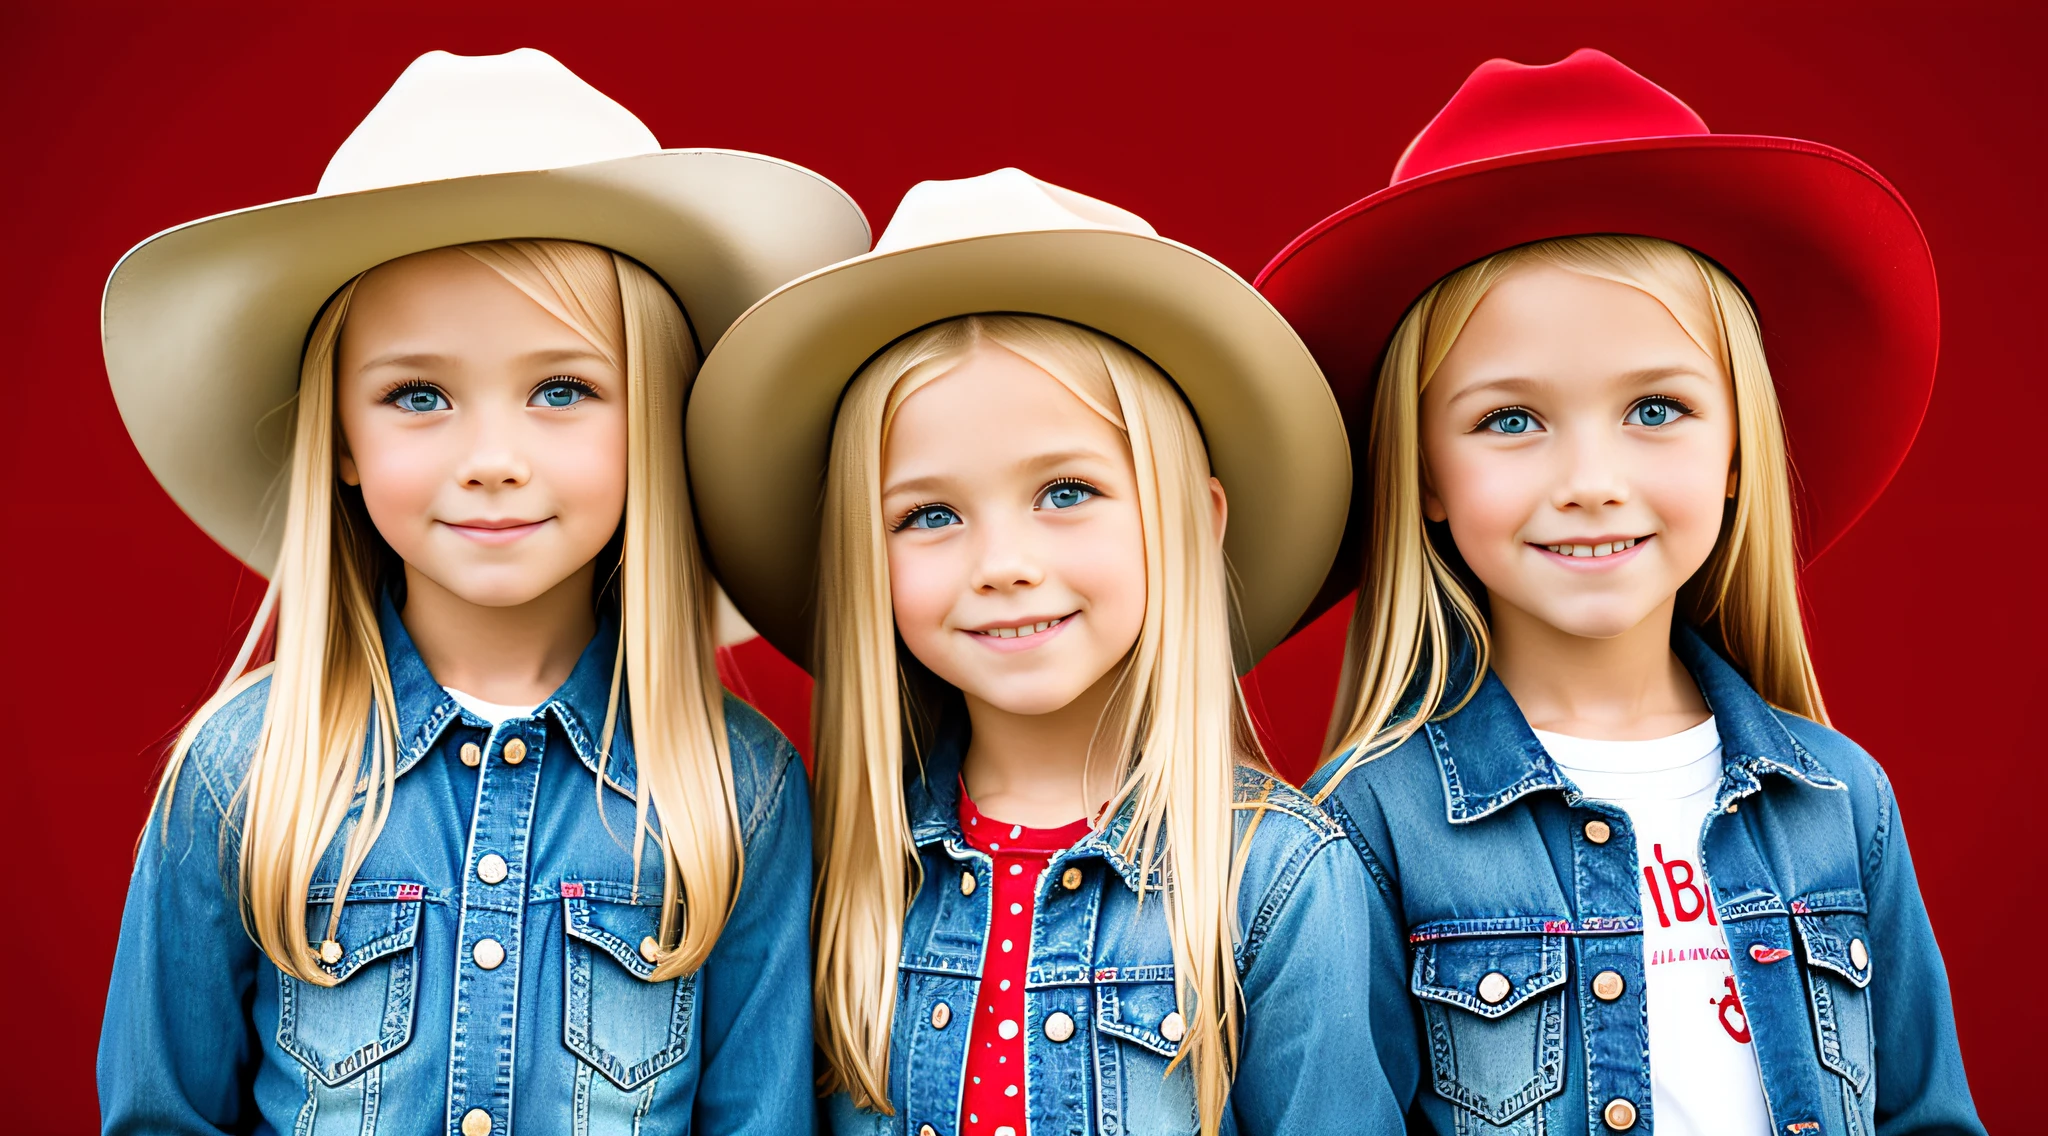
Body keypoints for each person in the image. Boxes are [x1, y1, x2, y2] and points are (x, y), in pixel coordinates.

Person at [96, 48, 869, 1135]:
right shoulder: (239, 778)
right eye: (419, 394)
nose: (492, 456)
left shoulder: (739, 795)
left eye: (562, 388)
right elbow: (158, 1114)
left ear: (649, 424)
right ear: (344, 441)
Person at [1259, 49, 1983, 1135]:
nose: (1590, 482)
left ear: (1739, 446)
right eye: (1510, 419)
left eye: (1654, 409)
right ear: (1424, 474)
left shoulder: (1842, 802)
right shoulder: (1364, 828)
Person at [687, 168, 1403, 1135]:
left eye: (1065, 491)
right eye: (930, 514)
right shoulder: (843, 878)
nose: (1004, 564)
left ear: (1192, 519)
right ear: (860, 559)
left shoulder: (1278, 878)